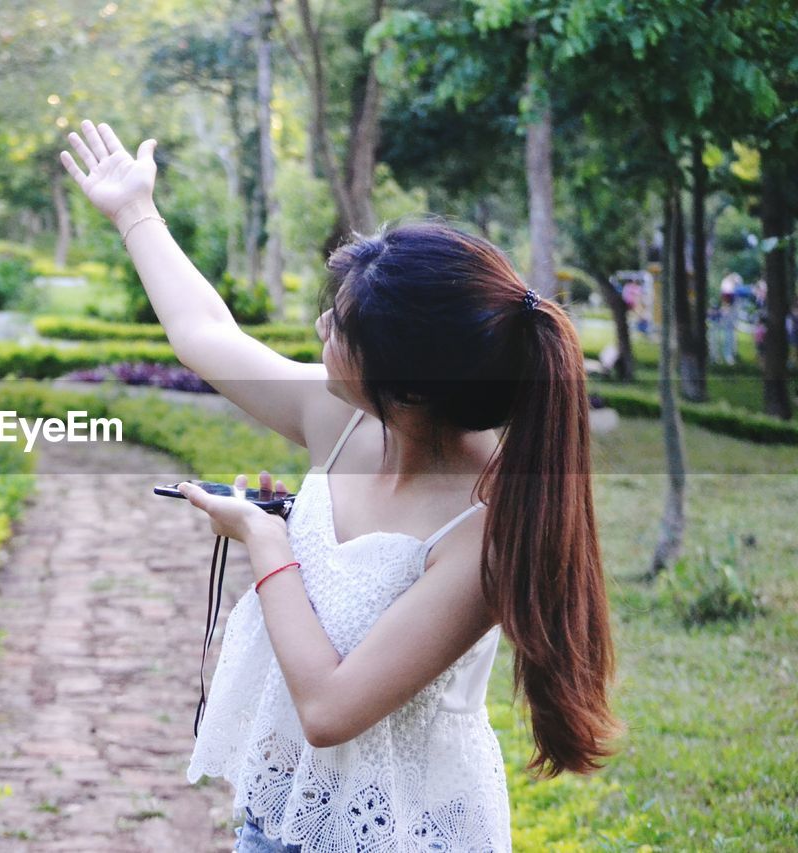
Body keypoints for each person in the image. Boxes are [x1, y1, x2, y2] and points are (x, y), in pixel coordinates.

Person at [59, 120, 620, 852]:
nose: (323, 323)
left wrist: (267, 541)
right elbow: (205, 333)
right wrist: (135, 211)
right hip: (281, 814)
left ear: (408, 388)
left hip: (408, 834)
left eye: (343, 328)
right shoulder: (349, 419)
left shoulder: (485, 527)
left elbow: (329, 707)